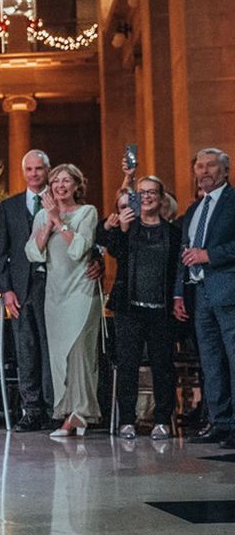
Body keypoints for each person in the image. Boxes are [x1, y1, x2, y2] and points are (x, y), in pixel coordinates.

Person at [25, 163, 101, 437]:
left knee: (79, 352)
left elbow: (80, 249)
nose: (60, 185)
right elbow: (33, 252)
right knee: (59, 357)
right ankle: (68, 413)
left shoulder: (87, 212)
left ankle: (80, 414)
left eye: (66, 181)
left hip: (80, 291)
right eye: (56, 181)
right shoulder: (41, 216)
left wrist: (58, 220)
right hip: (54, 294)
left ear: (76, 186)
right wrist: (48, 222)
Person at [102, 176, 181, 439]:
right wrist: (121, 229)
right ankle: (127, 420)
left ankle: (162, 420)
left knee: (163, 366)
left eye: (152, 193)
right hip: (129, 308)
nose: (146, 197)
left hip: (161, 309)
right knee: (128, 365)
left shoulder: (173, 232)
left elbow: (176, 270)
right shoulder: (129, 227)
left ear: (161, 198)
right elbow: (112, 251)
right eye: (142, 193)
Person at [173, 148, 235, 447]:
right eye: (200, 166)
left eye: (211, 166)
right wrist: (178, 294)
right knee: (210, 362)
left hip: (227, 291)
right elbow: (184, 253)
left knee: (233, 359)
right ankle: (220, 422)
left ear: (225, 171)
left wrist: (210, 255)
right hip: (198, 294)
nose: (205, 171)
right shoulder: (195, 209)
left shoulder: (233, 202)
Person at [0, 150, 55, 430]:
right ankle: (31, 410)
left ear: (47, 170)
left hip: (53, 285)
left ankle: (55, 407)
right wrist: (5, 289)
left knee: (50, 347)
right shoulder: (9, 206)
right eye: (29, 169)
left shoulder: (58, 202)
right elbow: (1, 253)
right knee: (26, 349)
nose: (33, 174)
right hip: (20, 289)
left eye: (38, 169)